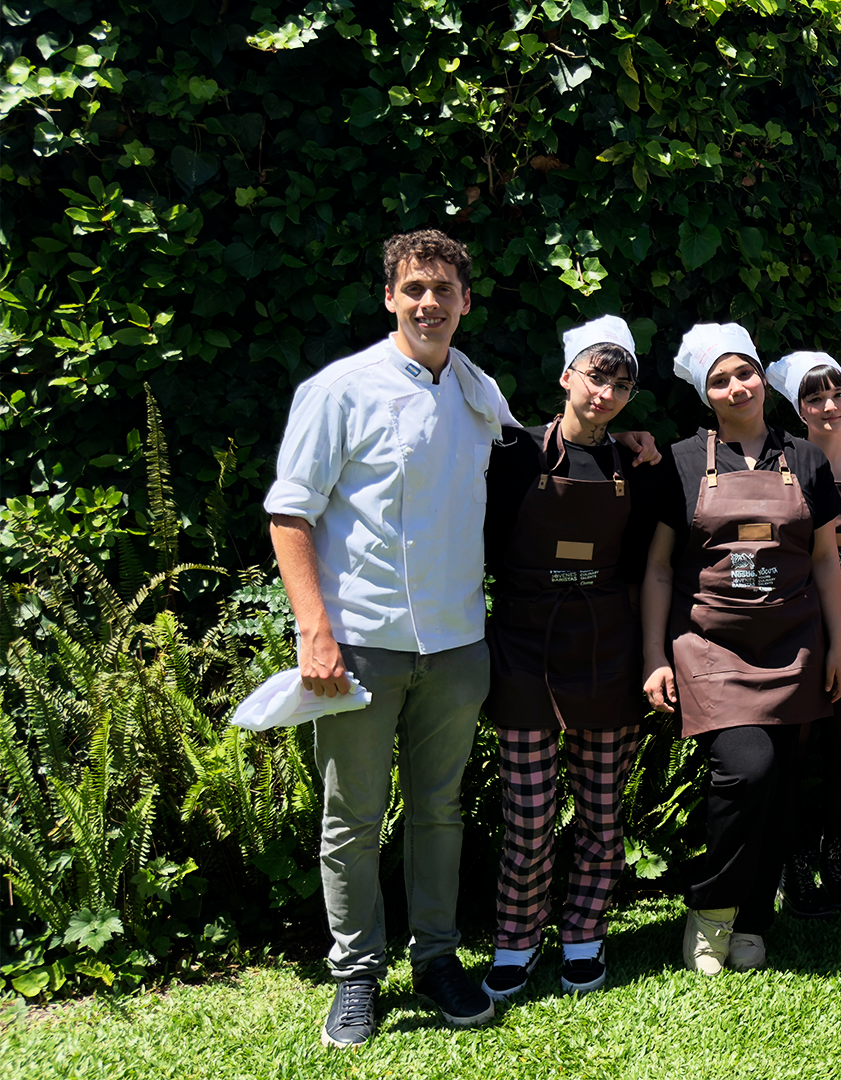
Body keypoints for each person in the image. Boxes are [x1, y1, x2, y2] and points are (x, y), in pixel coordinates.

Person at [266, 229, 509, 1046]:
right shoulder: (341, 390)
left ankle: (436, 959)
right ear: (389, 298)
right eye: (413, 289)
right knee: (353, 817)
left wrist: (630, 443)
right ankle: (356, 975)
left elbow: (536, 457)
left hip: (456, 643)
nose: (428, 303)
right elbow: (289, 512)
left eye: (443, 290)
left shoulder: (478, 390)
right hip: (360, 643)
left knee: (440, 811)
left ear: (465, 301)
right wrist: (315, 634)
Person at [641, 323, 841, 975]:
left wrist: (838, 645)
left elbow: (825, 559)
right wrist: (654, 657)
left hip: (793, 646)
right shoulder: (680, 461)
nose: (737, 387)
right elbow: (657, 568)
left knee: (782, 789)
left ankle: (754, 918)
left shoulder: (806, 460)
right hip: (711, 648)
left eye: (745, 373)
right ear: (705, 394)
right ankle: (711, 909)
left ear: (762, 377)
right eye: (720, 380)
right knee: (747, 769)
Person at [477, 316, 653, 1002]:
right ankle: (516, 938)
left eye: (621, 383)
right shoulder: (514, 453)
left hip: (606, 646)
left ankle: (584, 932)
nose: (606, 392)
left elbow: (645, 563)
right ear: (566, 377)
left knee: (602, 817)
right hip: (524, 644)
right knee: (528, 820)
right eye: (596, 376)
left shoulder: (635, 465)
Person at [763, 351, 841, 917]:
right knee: (794, 752)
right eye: (814, 398)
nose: (829, 406)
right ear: (799, 408)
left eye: (837, 393)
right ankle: (792, 865)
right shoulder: (782, 466)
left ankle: (834, 860)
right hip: (797, 617)